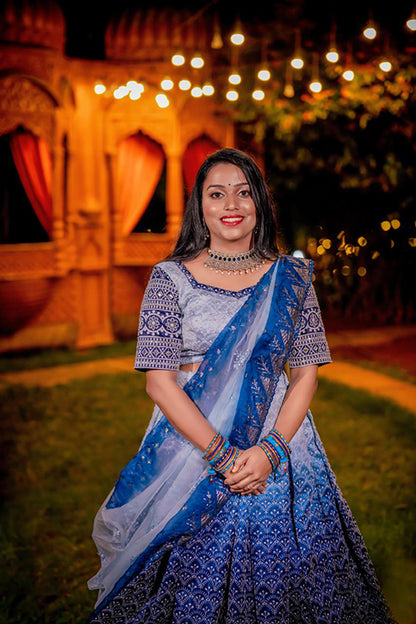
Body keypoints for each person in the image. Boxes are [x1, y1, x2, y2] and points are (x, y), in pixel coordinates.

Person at [87, 148, 394, 623]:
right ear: (200, 205)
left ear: (259, 204)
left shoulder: (291, 279)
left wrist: (271, 451)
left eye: (243, 192)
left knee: (295, 572)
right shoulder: (169, 279)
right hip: (193, 445)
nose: (231, 204)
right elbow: (159, 385)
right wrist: (223, 456)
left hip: (283, 446)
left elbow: (306, 373)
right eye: (216, 194)